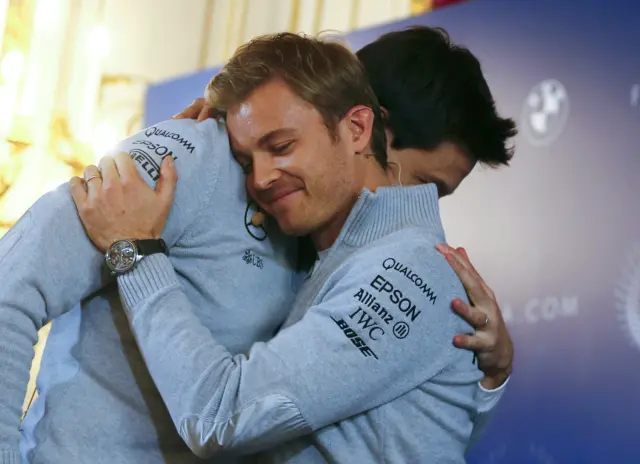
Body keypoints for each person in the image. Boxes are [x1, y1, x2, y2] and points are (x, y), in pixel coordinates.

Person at [0, 28, 513, 464]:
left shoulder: (362, 258)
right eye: (423, 181)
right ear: (365, 125)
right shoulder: (195, 159)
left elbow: (377, 426)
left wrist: (484, 374)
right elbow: (10, 288)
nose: (418, 206)